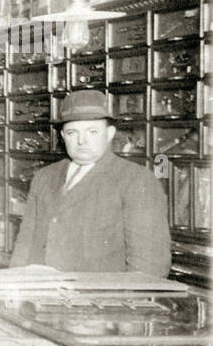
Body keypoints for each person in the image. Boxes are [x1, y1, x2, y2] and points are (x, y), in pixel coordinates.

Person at [11, 89, 170, 277]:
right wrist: (15, 290)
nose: (82, 141)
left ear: (110, 133)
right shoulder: (45, 177)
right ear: (63, 136)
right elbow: (24, 244)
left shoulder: (136, 180)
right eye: (72, 132)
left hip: (98, 300)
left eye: (92, 131)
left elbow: (149, 265)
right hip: (41, 295)